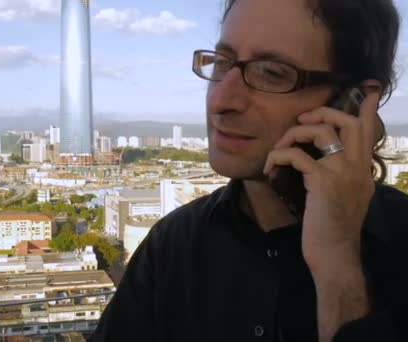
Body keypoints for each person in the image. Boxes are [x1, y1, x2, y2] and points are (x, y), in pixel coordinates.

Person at [89, 0, 407, 341]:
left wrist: (339, 272)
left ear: (356, 99)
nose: (221, 101)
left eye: (271, 72)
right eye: (223, 63)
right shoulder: (174, 245)